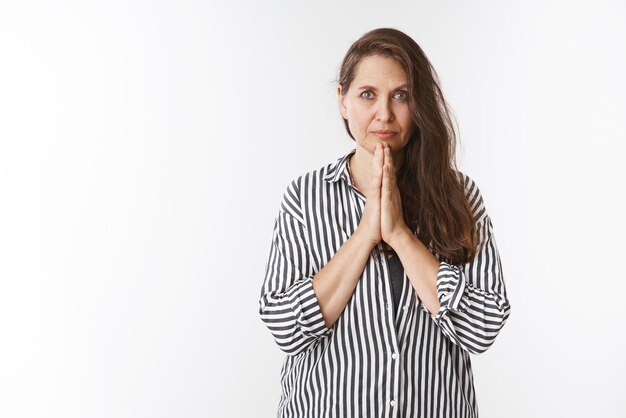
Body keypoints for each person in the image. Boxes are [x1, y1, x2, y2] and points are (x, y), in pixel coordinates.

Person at [258, 27, 511, 418]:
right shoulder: (305, 199)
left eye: (401, 96)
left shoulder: (460, 197)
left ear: (419, 102)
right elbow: (285, 328)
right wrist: (365, 234)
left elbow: (483, 327)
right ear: (343, 100)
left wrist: (399, 235)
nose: (384, 114)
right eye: (367, 95)